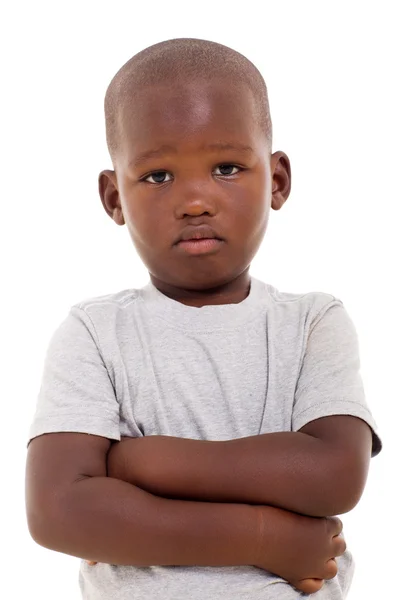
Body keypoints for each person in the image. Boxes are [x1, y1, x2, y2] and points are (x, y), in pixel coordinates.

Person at [25, 37, 382, 600]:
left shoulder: (313, 323)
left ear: (278, 181)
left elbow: (334, 475)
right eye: (158, 177)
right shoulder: (95, 333)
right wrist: (265, 537)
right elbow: (58, 511)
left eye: (226, 167)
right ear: (114, 197)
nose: (194, 200)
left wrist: (144, 463)